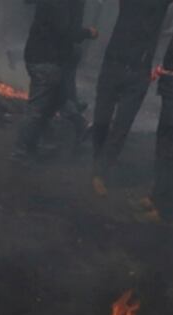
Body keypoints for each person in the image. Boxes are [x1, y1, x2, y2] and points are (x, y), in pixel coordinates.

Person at [91, 0, 172, 196]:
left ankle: (101, 172)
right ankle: (97, 163)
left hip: (139, 71)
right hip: (114, 63)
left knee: (122, 125)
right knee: (101, 119)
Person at [13, 0, 98, 161]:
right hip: (46, 58)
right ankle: (20, 152)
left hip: (44, 56)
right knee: (37, 109)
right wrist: (88, 32)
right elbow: (65, 31)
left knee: (54, 99)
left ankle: (38, 143)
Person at [137, 41, 173, 223]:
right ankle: (157, 197)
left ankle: (165, 209)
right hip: (169, 89)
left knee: (169, 153)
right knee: (163, 149)